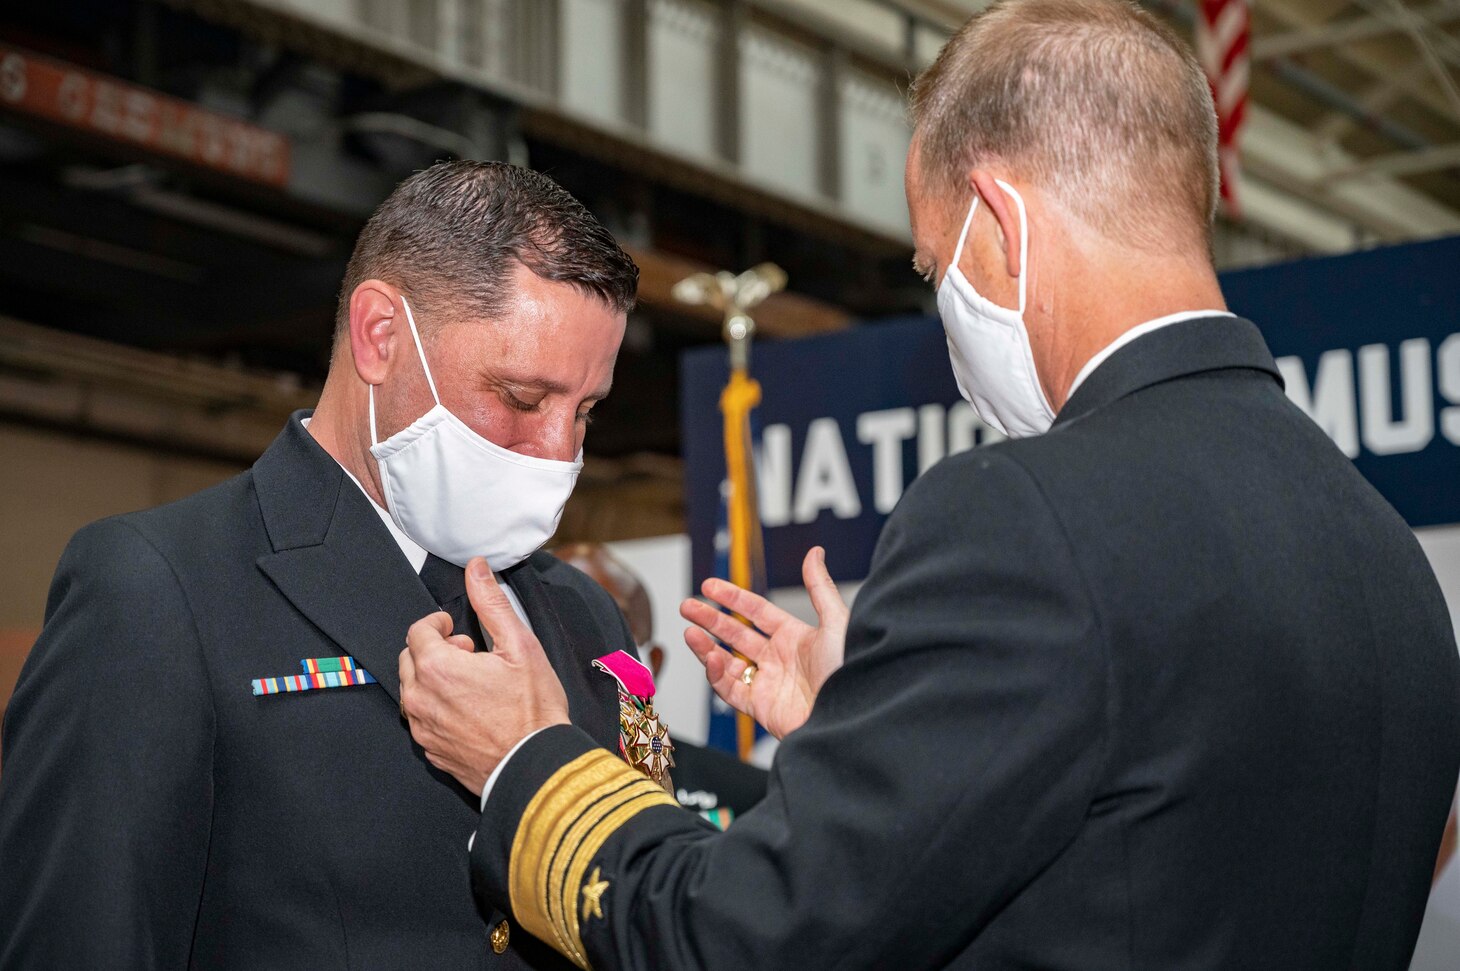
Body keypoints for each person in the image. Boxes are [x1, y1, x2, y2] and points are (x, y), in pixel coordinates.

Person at [400, 1, 1460, 968]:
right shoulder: (1380, 555)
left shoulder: (1023, 516)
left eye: (925, 265)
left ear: (999, 224)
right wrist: (875, 727)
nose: (936, 298)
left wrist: (528, 760)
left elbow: (741, 941)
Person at [0, 161, 642, 969]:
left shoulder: (583, 616)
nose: (561, 451)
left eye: (585, 410)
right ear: (380, 336)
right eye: (519, 397)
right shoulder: (160, 590)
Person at [552, 542, 768, 825]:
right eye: (557, 624)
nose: (582, 646)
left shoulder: (747, 795)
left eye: (607, 622)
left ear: (654, 662)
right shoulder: (493, 792)